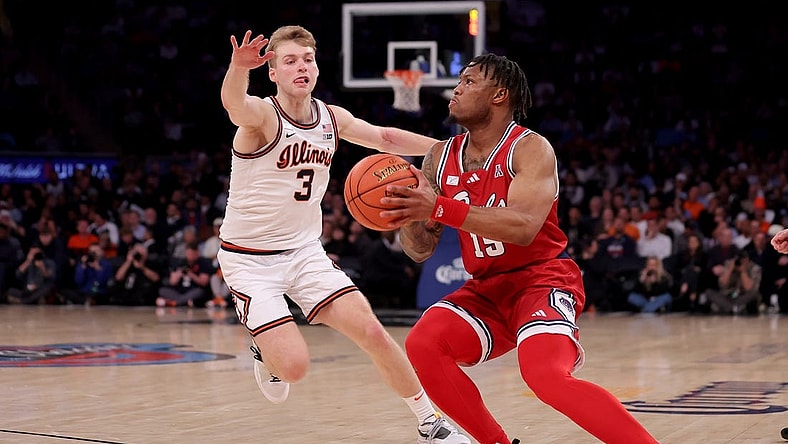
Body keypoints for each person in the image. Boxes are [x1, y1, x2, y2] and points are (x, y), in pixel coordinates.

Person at [380, 53, 659, 444]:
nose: (456, 88)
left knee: (544, 376)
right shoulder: (438, 157)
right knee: (423, 343)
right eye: (459, 81)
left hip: (542, 280)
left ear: (500, 95)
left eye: (469, 81)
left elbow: (524, 228)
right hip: (486, 289)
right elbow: (420, 250)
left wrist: (440, 206)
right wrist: (408, 215)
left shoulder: (530, 148)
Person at [216, 26, 468, 444]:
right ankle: (265, 350)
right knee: (294, 367)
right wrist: (238, 67)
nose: (302, 67)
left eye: (308, 59)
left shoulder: (331, 118)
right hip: (249, 260)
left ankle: (430, 422)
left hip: (304, 253)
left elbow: (385, 138)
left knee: (371, 330)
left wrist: (447, 150)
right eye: (290, 60)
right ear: (273, 72)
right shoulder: (262, 117)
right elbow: (234, 104)